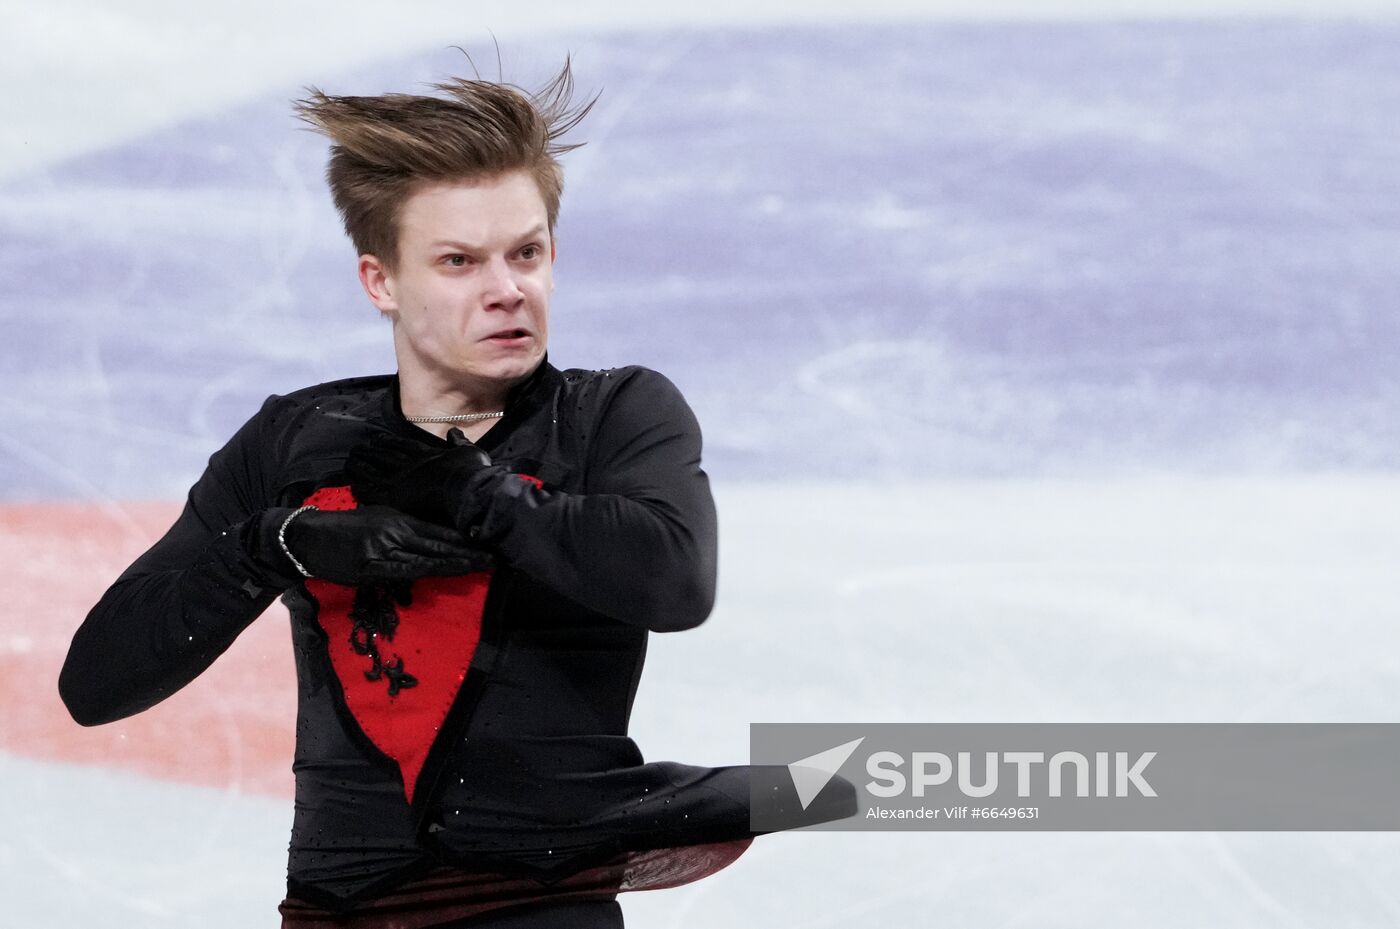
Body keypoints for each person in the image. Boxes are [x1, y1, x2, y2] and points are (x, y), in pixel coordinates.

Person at [58, 59, 851, 927]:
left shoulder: (610, 415)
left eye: (527, 252)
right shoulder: (295, 440)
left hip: (537, 903)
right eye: (459, 261)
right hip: (336, 909)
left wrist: (478, 495)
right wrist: (273, 545)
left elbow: (675, 580)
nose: (507, 289)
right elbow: (96, 684)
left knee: (916, 777)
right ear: (381, 282)